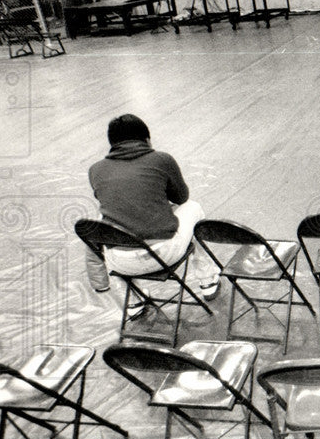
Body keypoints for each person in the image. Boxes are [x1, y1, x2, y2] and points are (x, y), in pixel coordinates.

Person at [84, 114, 219, 300]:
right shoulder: (162, 160)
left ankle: (133, 302)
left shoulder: (95, 170)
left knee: (107, 222)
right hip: (164, 254)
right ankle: (208, 280)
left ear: (112, 143)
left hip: (120, 263)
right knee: (193, 208)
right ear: (146, 139)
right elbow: (181, 198)